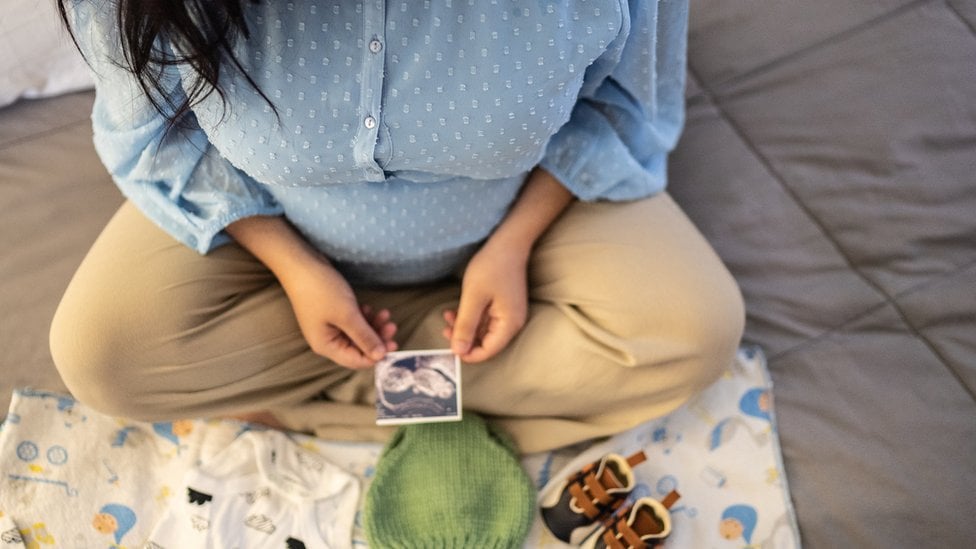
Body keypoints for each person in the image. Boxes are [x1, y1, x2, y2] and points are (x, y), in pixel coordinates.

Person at [51, 0, 743, 454]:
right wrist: (296, 268)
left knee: (697, 331)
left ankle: (317, 408)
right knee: (99, 356)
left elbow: (624, 106)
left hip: (518, 218)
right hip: (271, 227)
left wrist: (512, 245)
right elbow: (155, 140)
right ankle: (463, 393)